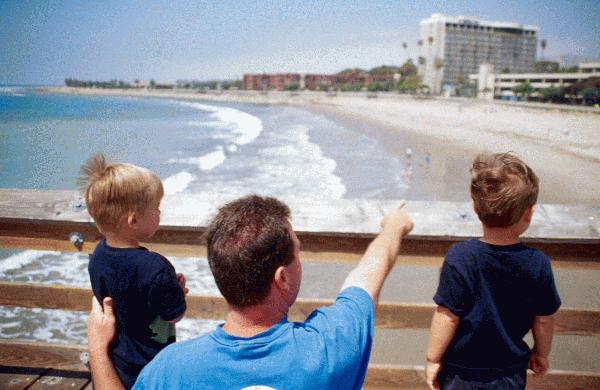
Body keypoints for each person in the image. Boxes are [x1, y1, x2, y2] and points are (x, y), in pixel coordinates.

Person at [87, 194, 413, 389]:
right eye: (297, 252)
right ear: (282, 278)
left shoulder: (170, 368)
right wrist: (394, 227)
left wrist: (98, 347)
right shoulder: (329, 347)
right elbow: (367, 277)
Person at [425, 152, 561, 390]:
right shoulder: (537, 263)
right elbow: (543, 320)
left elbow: (447, 316)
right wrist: (541, 353)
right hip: (508, 372)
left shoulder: (460, 257)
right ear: (529, 214)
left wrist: (432, 359)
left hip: (461, 371)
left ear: (476, 208)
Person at [81, 154, 188, 388]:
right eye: (156, 208)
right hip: (153, 365)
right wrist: (175, 294)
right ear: (133, 220)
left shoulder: (97, 256)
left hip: (117, 362)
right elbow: (173, 315)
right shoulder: (155, 266)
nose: (159, 214)